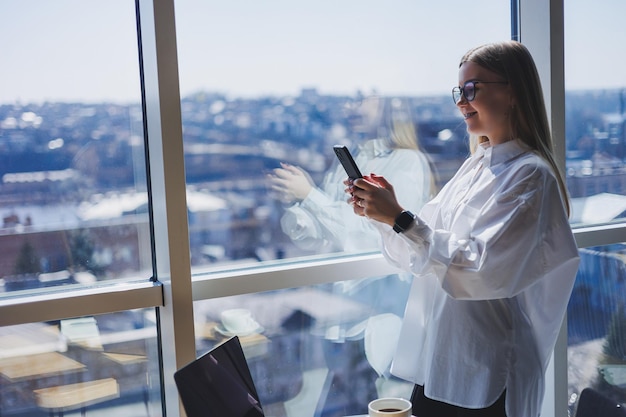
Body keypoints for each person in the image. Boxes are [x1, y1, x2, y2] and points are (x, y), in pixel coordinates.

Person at [346, 41, 580, 417]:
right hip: (442, 361)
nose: (461, 102)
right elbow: (423, 256)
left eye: (472, 89)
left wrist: (400, 219)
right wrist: (386, 217)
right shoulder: (477, 165)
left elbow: (481, 270)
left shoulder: (530, 176)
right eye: (459, 91)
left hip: (487, 373)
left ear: (513, 91)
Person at [269, 96, 434, 254]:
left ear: (385, 103)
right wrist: (298, 200)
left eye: (359, 99)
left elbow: (378, 240)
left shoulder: (407, 162)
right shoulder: (353, 155)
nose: (348, 107)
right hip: (339, 279)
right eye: (347, 101)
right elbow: (326, 235)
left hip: (374, 281)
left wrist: (309, 195)